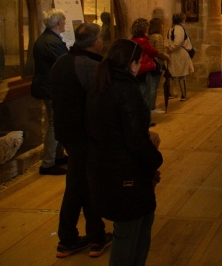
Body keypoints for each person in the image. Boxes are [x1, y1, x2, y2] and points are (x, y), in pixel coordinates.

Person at [86, 40, 163, 266]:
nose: (140, 67)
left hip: (103, 167)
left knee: (134, 226)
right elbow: (135, 140)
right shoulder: (127, 91)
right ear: (132, 64)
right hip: (125, 173)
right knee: (129, 234)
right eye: (139, 62)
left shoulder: (100, 85)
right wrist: (155, 159)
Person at [51, 23, 112, 258]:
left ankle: (93, 235)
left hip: (68, 133)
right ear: (95, 42)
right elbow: (100, 104)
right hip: (84, 135)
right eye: (101, 39)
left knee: (82, 184)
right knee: (82, 186)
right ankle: (74, 239)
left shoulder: (61, 62)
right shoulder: (89, 66)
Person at [32, 8, 69, 175]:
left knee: (58, 122)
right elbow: (64, 63)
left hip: (49, 86)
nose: (66, 23)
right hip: (51, 88)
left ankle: (58, 156)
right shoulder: (51, 41)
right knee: (55, 124)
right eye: (64, 20)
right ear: (58, 23)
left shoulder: (47, 39)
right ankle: (47, 163)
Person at [131, 18, 168, 115]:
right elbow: (155, 52)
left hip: (136, 68)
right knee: (147, 91)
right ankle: (147, 112)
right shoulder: (144, 41)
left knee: (140, 91)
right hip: (145, 67)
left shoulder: (133, 40)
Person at [165, 13, 194, 101]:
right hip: (179, 53)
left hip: (173, 53)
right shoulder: (179, 28)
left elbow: (167, 41)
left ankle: (171, 93)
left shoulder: (171, 29)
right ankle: (183, 95)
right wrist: (171, 48)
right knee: (182, 74)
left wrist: (168, 48)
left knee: (172, 74)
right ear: (181, 20)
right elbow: (178, 41)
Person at [148, 17, 169, 113]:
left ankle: (150, 105)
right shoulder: (158, 37)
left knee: (151, 86)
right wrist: (167, 57)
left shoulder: (150, 36)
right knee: (154, 86)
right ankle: (152, 107)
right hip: (157, 64)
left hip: (150, 63)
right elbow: (159, 52)